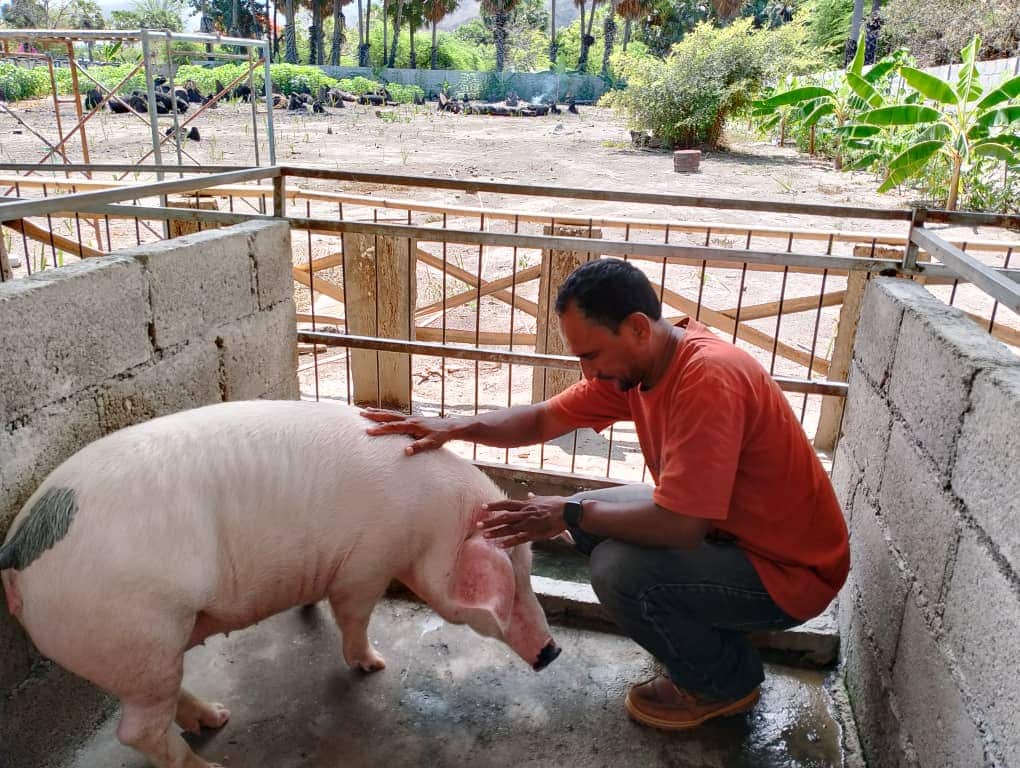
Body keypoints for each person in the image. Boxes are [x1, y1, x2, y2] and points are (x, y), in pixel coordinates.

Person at [362, 258, 849, 730]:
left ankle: (724, 682)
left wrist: (570, 511)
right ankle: (704, 635)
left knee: (617, 570)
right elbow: (542, 418)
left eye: (591, 355)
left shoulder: (707, 379)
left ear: (638, 328)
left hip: (789, 572)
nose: (588, 373)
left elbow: (682, 526)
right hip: (735, 534)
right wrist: (454, 426)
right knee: (595, 526)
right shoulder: (640, 365)